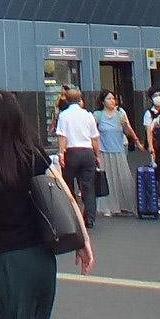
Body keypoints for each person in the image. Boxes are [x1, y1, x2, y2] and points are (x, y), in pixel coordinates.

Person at [0, 90, 93, 319]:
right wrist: (82, 241)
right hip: (42, 260)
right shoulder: (34, 155)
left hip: (9, 261)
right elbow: (65, 195)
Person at [53, 89, 100, 229]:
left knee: (68, 184)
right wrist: (97, 155)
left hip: (71, 152)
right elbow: (95, 138)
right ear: (80, 99)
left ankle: (73, 216)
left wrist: (61, 154)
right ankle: (90, 218)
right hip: (87, 152)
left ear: (66, 100)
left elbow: (62, 137)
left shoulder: (64, 115)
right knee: (88, 186)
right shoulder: (88, 115)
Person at [96, 91, 139, 218]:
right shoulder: (98, 115)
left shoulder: (120, 115)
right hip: (105, 151)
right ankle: (107, 207)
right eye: (109, 99)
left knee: (123, 178)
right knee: (107, 179)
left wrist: (136, 141)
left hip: (119, 150)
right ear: (103, 101)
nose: (112, 101)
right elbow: (92, 132)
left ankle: (124, 205)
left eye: (113, 98)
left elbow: (127, 130)